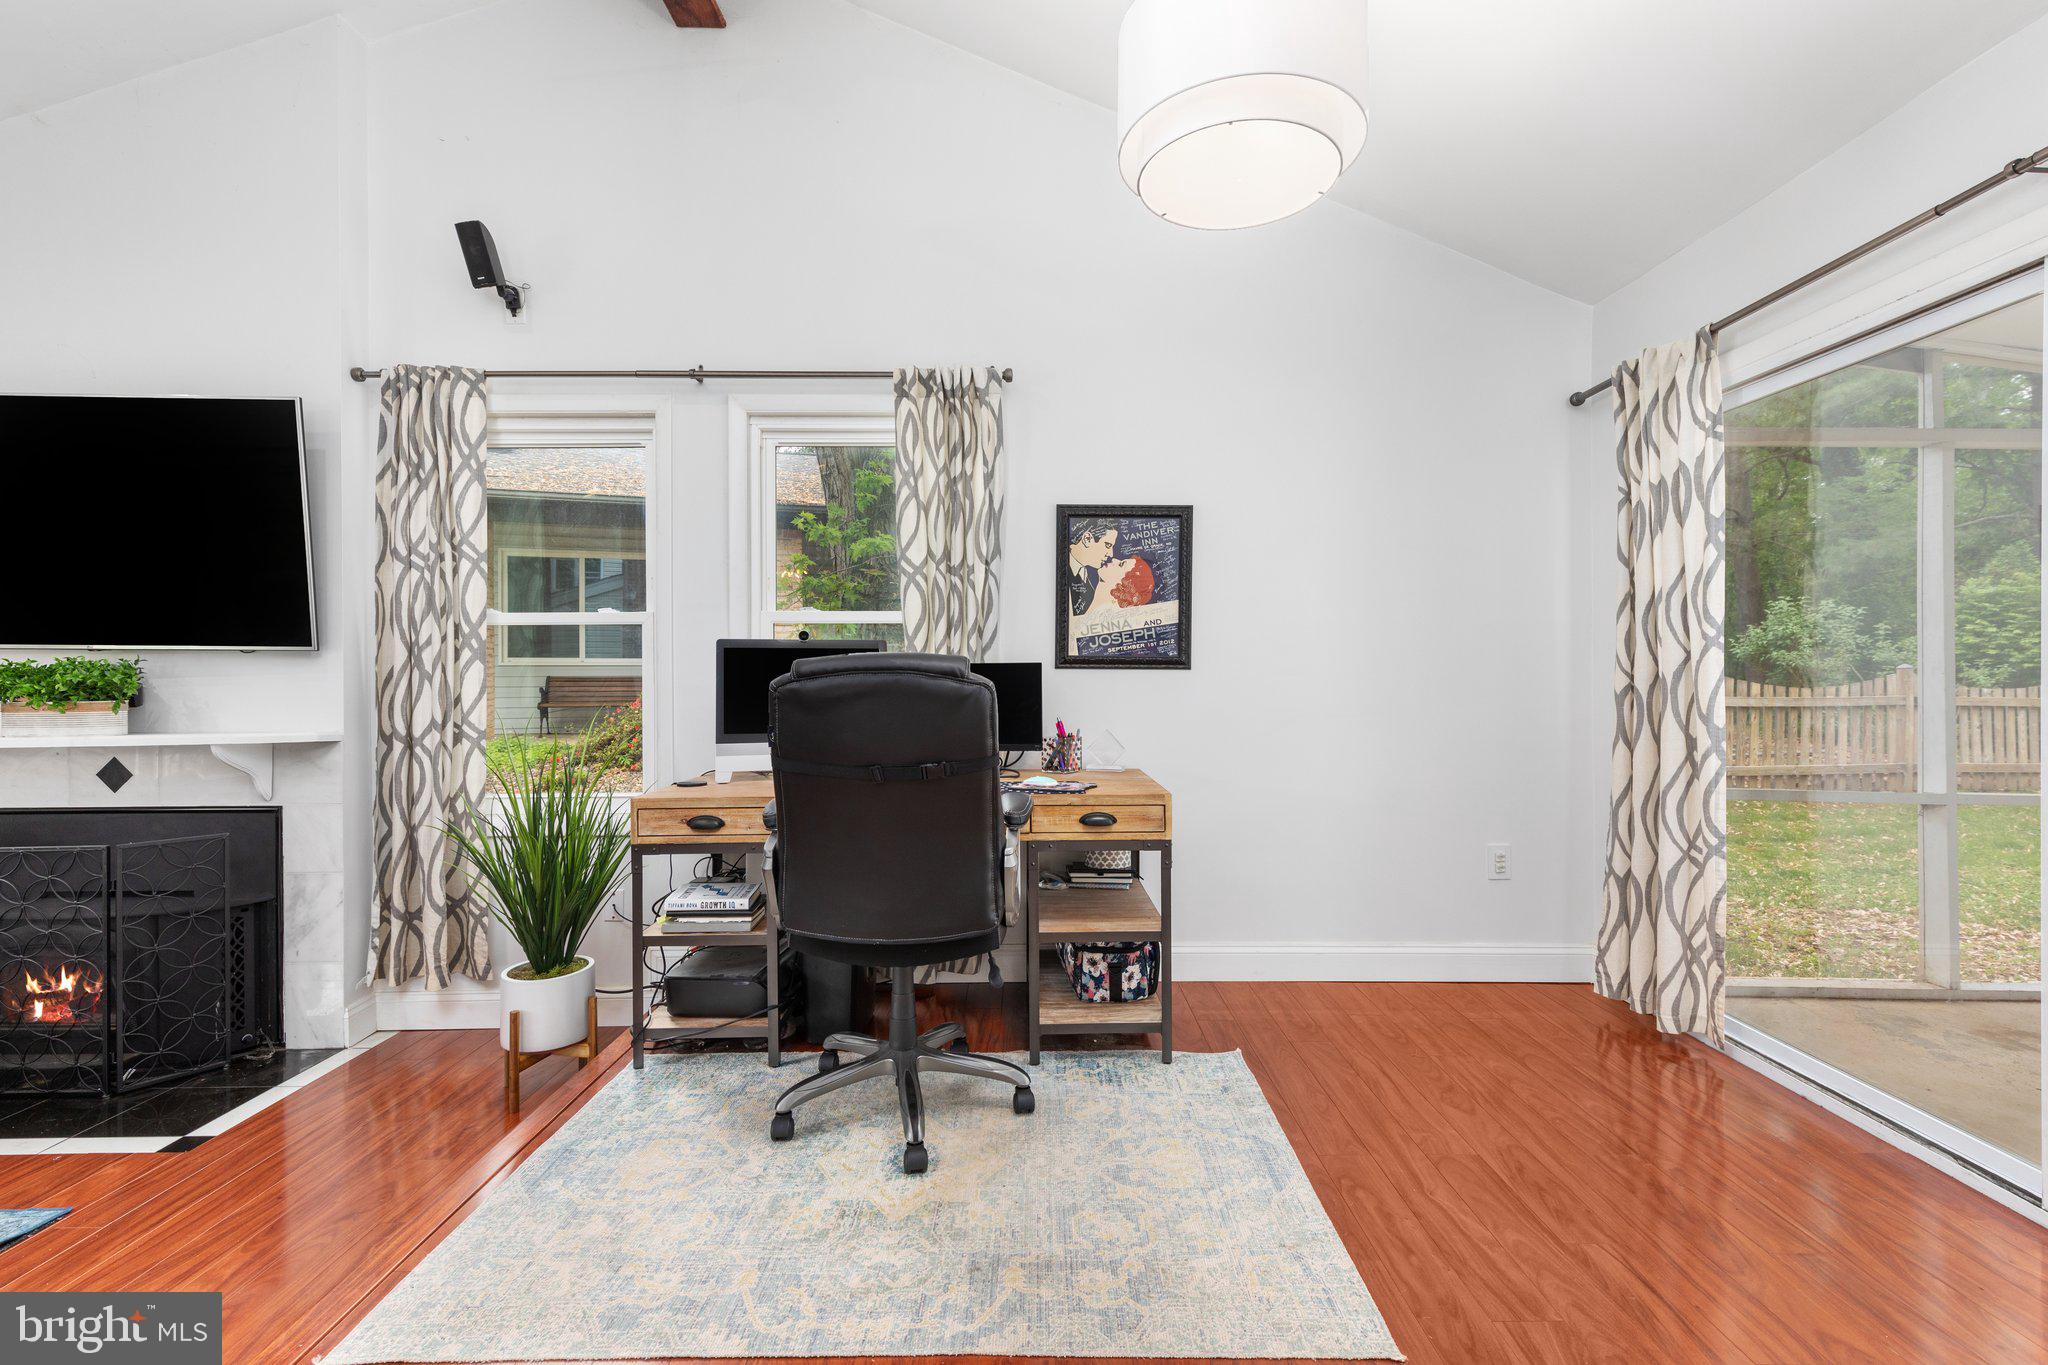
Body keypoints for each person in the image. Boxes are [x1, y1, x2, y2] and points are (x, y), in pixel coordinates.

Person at [1064, 517, 1118, 620]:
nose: (1111, 554)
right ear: (1087, 539)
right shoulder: (1062, 567)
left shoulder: (1091, 577)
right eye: (1107, 545)